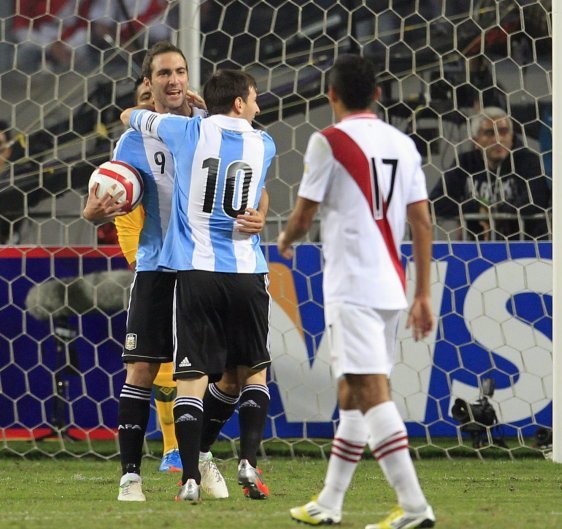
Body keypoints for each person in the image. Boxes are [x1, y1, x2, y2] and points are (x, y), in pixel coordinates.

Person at [85, 44, 266, 501]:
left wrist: (260, 215)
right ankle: (130, 476)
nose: (174, 80)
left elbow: (252, 186)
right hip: (157, 264)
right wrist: (93, 212)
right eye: (163, 72)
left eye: (181, 71)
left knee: (226, 374)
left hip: (204, 266)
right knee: (142, 368)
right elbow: (111, 193)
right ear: (148, 82)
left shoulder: (211, 125)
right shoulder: (132, 141)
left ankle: (198, 457)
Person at [277, 54, 436, 528]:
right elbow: (422, 220)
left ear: (332, 96)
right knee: (350, 392)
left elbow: (304, 217)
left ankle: (415, 508)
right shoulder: (402, 143)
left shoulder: (329, 141)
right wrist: (423, 293)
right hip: (391, 284)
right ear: (379, 95)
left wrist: (285, 240)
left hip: (353, 287)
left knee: (369, 392)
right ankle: (329, 502)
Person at [431, 106, 549, 241]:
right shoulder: (465, 163)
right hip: (478, 248)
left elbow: (536, 201)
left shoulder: (529, 161)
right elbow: (436, 202)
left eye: (504, 132)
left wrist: (492, 214)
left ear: (511, 136)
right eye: (489, 133)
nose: (498, 139)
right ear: (476, 141)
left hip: (526, 247)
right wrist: (477, 209)